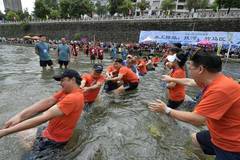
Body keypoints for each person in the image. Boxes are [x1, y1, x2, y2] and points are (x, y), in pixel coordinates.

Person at [149, 50, 240, 160]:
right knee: (195, 139)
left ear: (201, 69)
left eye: (191, 68)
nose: (189, 71)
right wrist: (171, 78)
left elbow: (198, 119)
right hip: (218, 133)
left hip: (231, 145)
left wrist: (166, 110)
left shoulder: (220, 90)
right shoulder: (218, 80)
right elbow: (190, 82)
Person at [0, 69, 84, 153]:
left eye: (62, 80)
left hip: (53, 141)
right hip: (48, 131)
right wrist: (19, 117)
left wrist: (5, 132)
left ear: (72, 80)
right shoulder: (67, 92)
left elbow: (43, 117)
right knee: (22, 133)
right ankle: (31, 147)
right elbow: (48, 101)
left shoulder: (73, 98)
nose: (60, 83)